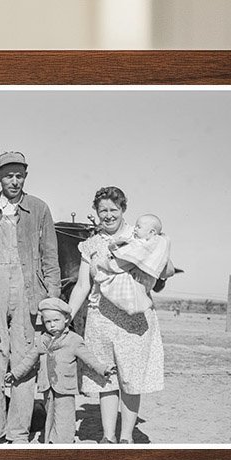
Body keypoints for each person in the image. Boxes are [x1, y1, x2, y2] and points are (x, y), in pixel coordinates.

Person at [0, 151, 61, 443]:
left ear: (25, 177)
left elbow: (50, 257)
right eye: (9, 175)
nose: (14, 181)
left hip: (28, 289)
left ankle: (19, 432)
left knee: (24, 359)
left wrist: (51, 299)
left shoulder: (39, 209)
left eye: (19, 175)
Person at [68, 187, 166, 444]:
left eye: (113, 210)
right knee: (106, 378)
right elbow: (82, 286)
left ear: (123, 209)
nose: (108, 215)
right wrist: (68, 315)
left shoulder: (141, 236)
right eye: (103, 211)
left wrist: (160, 250)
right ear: (96, 213)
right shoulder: (90, 244)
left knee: (131, 379)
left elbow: (164, 271)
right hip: (100, 318)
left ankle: (126, 437)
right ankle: (108, 436)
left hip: (133, 321)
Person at [4, 297, 114, 444]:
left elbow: (89, 358)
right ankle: (51, 440)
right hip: (47, 385)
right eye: (48, 322)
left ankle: (64, 442)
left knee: (65, 415)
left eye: (56, 320)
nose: (52, 325)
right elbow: (29, 359)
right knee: (50, 413)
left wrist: (103, 369)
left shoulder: (74, 340)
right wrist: (15, 373)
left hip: (65, 385)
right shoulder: (42, 340)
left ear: (66, 319)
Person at [94, 213, 174, 315]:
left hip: (142, 279)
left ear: (152, 232)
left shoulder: (149, 245)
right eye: (135, 226)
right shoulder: (137, 240)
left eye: (139, 227)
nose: (135, 229)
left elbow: (131, 257)